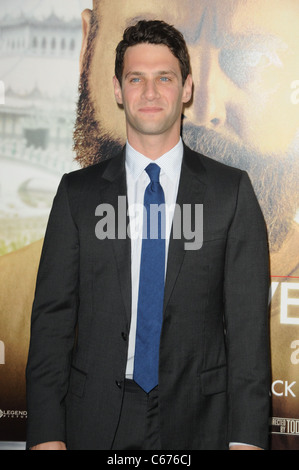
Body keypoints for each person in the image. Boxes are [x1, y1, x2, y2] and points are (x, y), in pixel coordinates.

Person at [26, 19, 270, 450]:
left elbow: (250, 335)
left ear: (187, 88)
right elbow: (51, 326)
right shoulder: (76, 196)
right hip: (95, 422)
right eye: (136, 78)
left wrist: (247, 441)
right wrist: (46, 438)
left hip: (201, 424)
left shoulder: (231, 193)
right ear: (119, 90)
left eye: (165, 78)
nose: (151, 92)